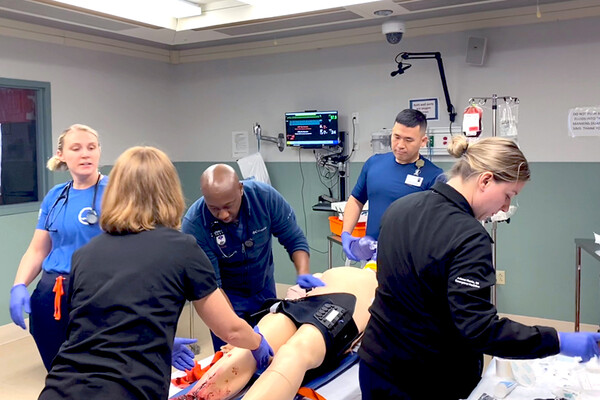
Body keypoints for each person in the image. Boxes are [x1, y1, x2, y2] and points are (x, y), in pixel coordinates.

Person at [358, 135, 600, 400]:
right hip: (423, 380)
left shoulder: (399, 209)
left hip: (375, 365)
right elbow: (478, 328)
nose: (505, 208)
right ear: (485, 180)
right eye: (509, 195)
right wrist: (558, 341)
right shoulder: (469, 236)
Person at [38, 146, 273, 400]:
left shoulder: (85, 254)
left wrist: (158, 339)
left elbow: (89, 329)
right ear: (169, 193)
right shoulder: (182, 248)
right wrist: (258, 343)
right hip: (128, 390)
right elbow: (230, 330)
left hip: (59, 388)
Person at [174, 265, 378, 400]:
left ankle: (193, 396)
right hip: (335, 306)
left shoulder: (344, 272)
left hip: (307, 302)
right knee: (287, 353)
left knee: (270, 348)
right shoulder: (381, 281)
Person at [182, 164, 323, 351]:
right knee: (233, 360)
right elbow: (213, 286)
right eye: (214, 209)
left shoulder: (264, 198)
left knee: (271, 348)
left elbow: (294, 238)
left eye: (228, 206)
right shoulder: (195, 224)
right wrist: (233, 332)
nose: (223, 214)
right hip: (226, 297)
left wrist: (303, 273)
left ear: (240, 189)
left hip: (263, 287)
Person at [9, 124, 107, 371]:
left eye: (91, 148)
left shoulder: (116, 193)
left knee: (96, 370)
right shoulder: (56, 195)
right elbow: (37, 250)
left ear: (99, 152)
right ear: (62, 154)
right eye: (76, 148)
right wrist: (19, 285)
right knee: (58, 369)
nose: (85, 154)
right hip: (50, 293)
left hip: (97, 293)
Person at [341, 108, 443, 260]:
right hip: (372, 257)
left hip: (409, 262)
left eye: (408, 140)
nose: (400, 145)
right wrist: (346, 234)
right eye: (396, 137)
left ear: (423, 141)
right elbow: (356, 200)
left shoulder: (434, 176)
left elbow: (436, 227)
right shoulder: (374, 163)